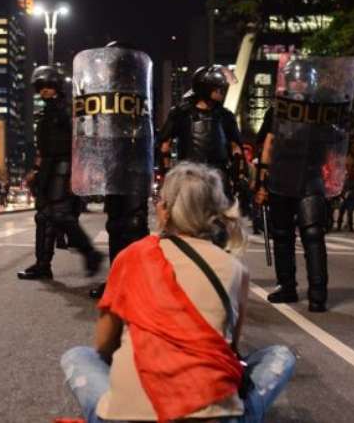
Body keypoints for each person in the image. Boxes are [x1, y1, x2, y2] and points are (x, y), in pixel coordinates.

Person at [60, 162, 296, 422]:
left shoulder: (132, 255)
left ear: (165, 210)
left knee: (78, 356)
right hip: (212, 416)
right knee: (280, 355)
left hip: (128, 417)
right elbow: (229, 348)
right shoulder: (235, 269)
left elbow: (104, 345)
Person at [254, 57, 354, 310]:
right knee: (282, 235)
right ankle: (287, 287)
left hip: (310, 175)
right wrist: (262, 181)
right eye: (295, 79)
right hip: (281, 175)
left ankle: (318, 294)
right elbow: (268, 143)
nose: (299, 83)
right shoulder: (277, 110)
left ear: (309, 82)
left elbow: (338, 140)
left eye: (303, 79)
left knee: (313, 234)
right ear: (288, 81)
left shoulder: (321, 110)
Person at [73, 41, 153, 299]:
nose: (104, 70)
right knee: (117, 225)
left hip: (134, 166)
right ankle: (119, 280)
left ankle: (135, 282)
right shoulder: (106, 95)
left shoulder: (136, 92)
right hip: (114, 166)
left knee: (133, 225)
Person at [17, 65, 103, 280]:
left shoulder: (67, 110)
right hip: (48, 166)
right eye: (40, 87)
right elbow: (43, 146)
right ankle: (42, 265)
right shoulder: (44, 113)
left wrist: (80, 171)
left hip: (64, 165)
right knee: (43, 217)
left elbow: (82, 140)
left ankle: (90, 253)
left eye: (48, 85)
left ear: (56, 85)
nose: (44, 90)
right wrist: (36, 169)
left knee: (60, 214)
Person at [157, 65, 244, 199]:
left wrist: (238, 177)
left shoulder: (225, 115)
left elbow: (236, 149)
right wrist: (167, 177)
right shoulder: (181, 113)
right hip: (189, 179)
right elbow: (164, 146)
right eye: (217, 88)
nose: (222, 91)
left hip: (219, 179)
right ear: (205, 88)